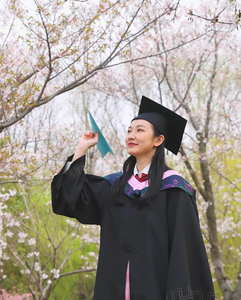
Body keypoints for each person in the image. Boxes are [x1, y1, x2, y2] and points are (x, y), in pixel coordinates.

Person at [51, 96, 215, 300]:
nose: (131, 135)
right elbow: (70, 198)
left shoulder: (174, 189)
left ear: (158, 140)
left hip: (156, 288)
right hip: (113, 288)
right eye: (129, 130)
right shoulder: (115, 187)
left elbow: (184, 250)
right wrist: (81, 149)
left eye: (140, 130)